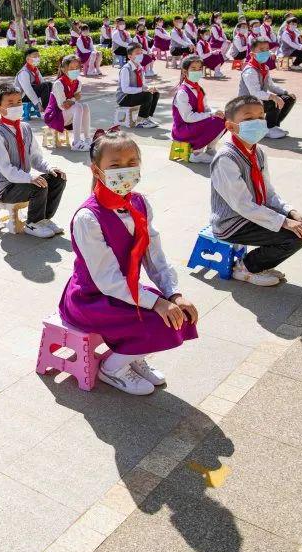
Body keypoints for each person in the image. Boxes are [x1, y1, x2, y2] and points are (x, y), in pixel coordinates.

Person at [59, 129, 198, 395]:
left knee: (181, 314)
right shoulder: (88, 218)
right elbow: (108, 281)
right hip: (91, 298)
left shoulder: (139, 204)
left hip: (125, 291)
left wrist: (174, 294)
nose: (125, 170)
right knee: (161, 320)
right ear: (97, 170)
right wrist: (156, 302)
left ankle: (131, 356)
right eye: (115, 165)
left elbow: (154, 255)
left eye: (132, 163)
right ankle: (113, 369)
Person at [210, 95, 302, 286]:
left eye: (261, 117)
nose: (257, 123)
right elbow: (242, 205)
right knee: (294, 237)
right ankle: (246, 267)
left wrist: (292, 213)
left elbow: (268, 193)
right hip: (232, 222)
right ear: (231, 126)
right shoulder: (226, 158)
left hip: (253, 214)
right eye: (248, 118)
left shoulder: (257, 152)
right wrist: (284, 222)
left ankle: (261, 264)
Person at [0, 83, 67, 239]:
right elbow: (6, 169)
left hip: (22, 182)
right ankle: (33, 223)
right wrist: (30, 178)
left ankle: (44, 219)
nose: (17, 106)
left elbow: (36, 158)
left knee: (58, 178)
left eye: (19, 102)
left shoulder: (25, 128)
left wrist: (50, 168)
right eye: (10, 103)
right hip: (7, 188)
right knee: (38, 185)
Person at [172, 56, 227, 164]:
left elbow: (205, 108)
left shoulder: (198, 89)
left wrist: (215, 113)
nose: (197, 71)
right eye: (193, 69)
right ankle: (196, 153)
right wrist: (211, 115)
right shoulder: (182, 92)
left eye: (199, 68)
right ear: (184, 71)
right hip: (183, 129)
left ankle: (210, 150)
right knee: (216, 120)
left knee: (224, 118)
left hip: (194, 124)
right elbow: (188, 117)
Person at [237, 38, 296, 139]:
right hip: (247, 103)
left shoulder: (265, 68)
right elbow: (255, 93)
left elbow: (271, 86)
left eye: (267, 49)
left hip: (258, 101)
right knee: (274, 101)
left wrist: (286, 92)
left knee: (288, 98)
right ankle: (268, 129)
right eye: (261, 50)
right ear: (252, 54)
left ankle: (274, 126)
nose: (265, 52)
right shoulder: (250, 71)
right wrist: (274, 97)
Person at [43, 54, 91, 151]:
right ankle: (76, 142)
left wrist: (72, 100)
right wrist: (74, 98)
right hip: (55, 116)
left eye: (77, 67)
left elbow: (74, 100)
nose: (75, 70)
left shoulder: (78, 83)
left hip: (66, 115)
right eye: (72, 68)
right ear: (64, 69)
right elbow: (63, 106)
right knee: (78, 106)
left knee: (85, 106)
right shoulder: (58, 84)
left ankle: (87, 139)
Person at [115, 44, 160, 129]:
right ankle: (142, 120)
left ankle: (147, 118)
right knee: (147, 95)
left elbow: (142, 84)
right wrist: (143, 90)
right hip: (124, 97)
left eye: (141, 53)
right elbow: (125, 89)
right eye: (137, 53)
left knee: (155, 93)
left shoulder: (140, 67)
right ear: (130, 56)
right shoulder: (126, 69)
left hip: (133, 94)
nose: (140, 55)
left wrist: (149, 88)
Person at [14, 48, 52, 117]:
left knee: (48, 84)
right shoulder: (24, 72)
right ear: (28, 59)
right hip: (22, 97)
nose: (37, 58)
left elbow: (42, 82)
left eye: (38, 56)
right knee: (45, 86)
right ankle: (46, 110)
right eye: (35, 56)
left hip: (30, 94)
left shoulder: (35, 69)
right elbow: (28, 90)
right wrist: (38, 104)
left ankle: (51, 107)